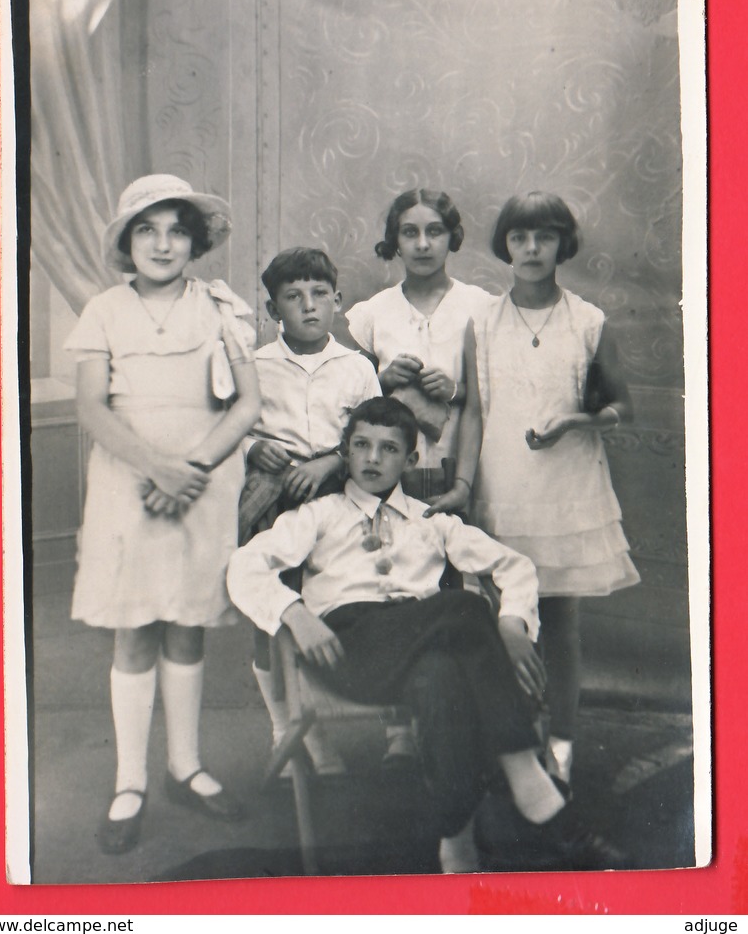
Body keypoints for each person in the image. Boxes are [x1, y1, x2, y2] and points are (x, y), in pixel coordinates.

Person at [227, 397, 628, 874]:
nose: (373, 458)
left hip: (423, 651)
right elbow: (244, 565)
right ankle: (528, 779)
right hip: (349, 650)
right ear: (346, 452)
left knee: (440, 676)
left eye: (389, 449)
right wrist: (293, 613)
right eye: (361, 446)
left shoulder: (431, 520)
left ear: (411, 460)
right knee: (462, 606)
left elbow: (514, 567)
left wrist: (512, 621)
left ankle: (455, 847)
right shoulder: (319, 515)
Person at [65, 174, 261, 855]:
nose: (163, 242)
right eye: (147, 229)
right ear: (126, 240)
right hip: (129, 485)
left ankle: (186, 766)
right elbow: (93, 409)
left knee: (186, 623)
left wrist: (193, 470)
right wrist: (157, 469)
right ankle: (130, 781)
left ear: (195, 241)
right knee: (135, 629)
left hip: (204, 485)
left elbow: (247, 406)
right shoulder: (103, 311)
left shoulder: (220, 308)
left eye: (177, 229)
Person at [470, 191, 640, 788]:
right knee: (506, 623)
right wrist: (468, 487)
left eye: (544, 237)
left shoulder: (588, 320)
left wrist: (577, 420)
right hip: (502, 484)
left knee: (560, 625)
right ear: (505, 245)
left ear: (562, 244)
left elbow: (622, 406)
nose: (532, 249)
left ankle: (561, 746)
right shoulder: (483, 320)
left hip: (567, 489)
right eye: (520, 237)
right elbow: (472, 413)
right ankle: (515, 745)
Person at [345, 189, 492, 763]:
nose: (423, 243)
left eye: (434, 231)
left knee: (454, 593)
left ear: (452, 237)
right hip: (388, 482)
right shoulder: (370, 314)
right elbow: (348, 401)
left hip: (453, 470)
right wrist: (380, 380)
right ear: (395, 239)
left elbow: (484, 405)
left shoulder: (480, 306)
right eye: (410, 232)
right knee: (392, 591)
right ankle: (398, 729)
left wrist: (465, 480)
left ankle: (456, 725)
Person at [238, 246, 381, 775]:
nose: (309, 305)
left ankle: (356, 724)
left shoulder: (357, 368)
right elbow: (228, 431)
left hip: (337, 499)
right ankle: (291, 731)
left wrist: (328, 464)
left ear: (338, 301)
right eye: (293, 297)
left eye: (319, 294)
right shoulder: (253, 365)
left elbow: (374, 436)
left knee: (334, 605)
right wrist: (254, 449)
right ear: (273, 311)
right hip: (271, 502)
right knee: (273, 612)